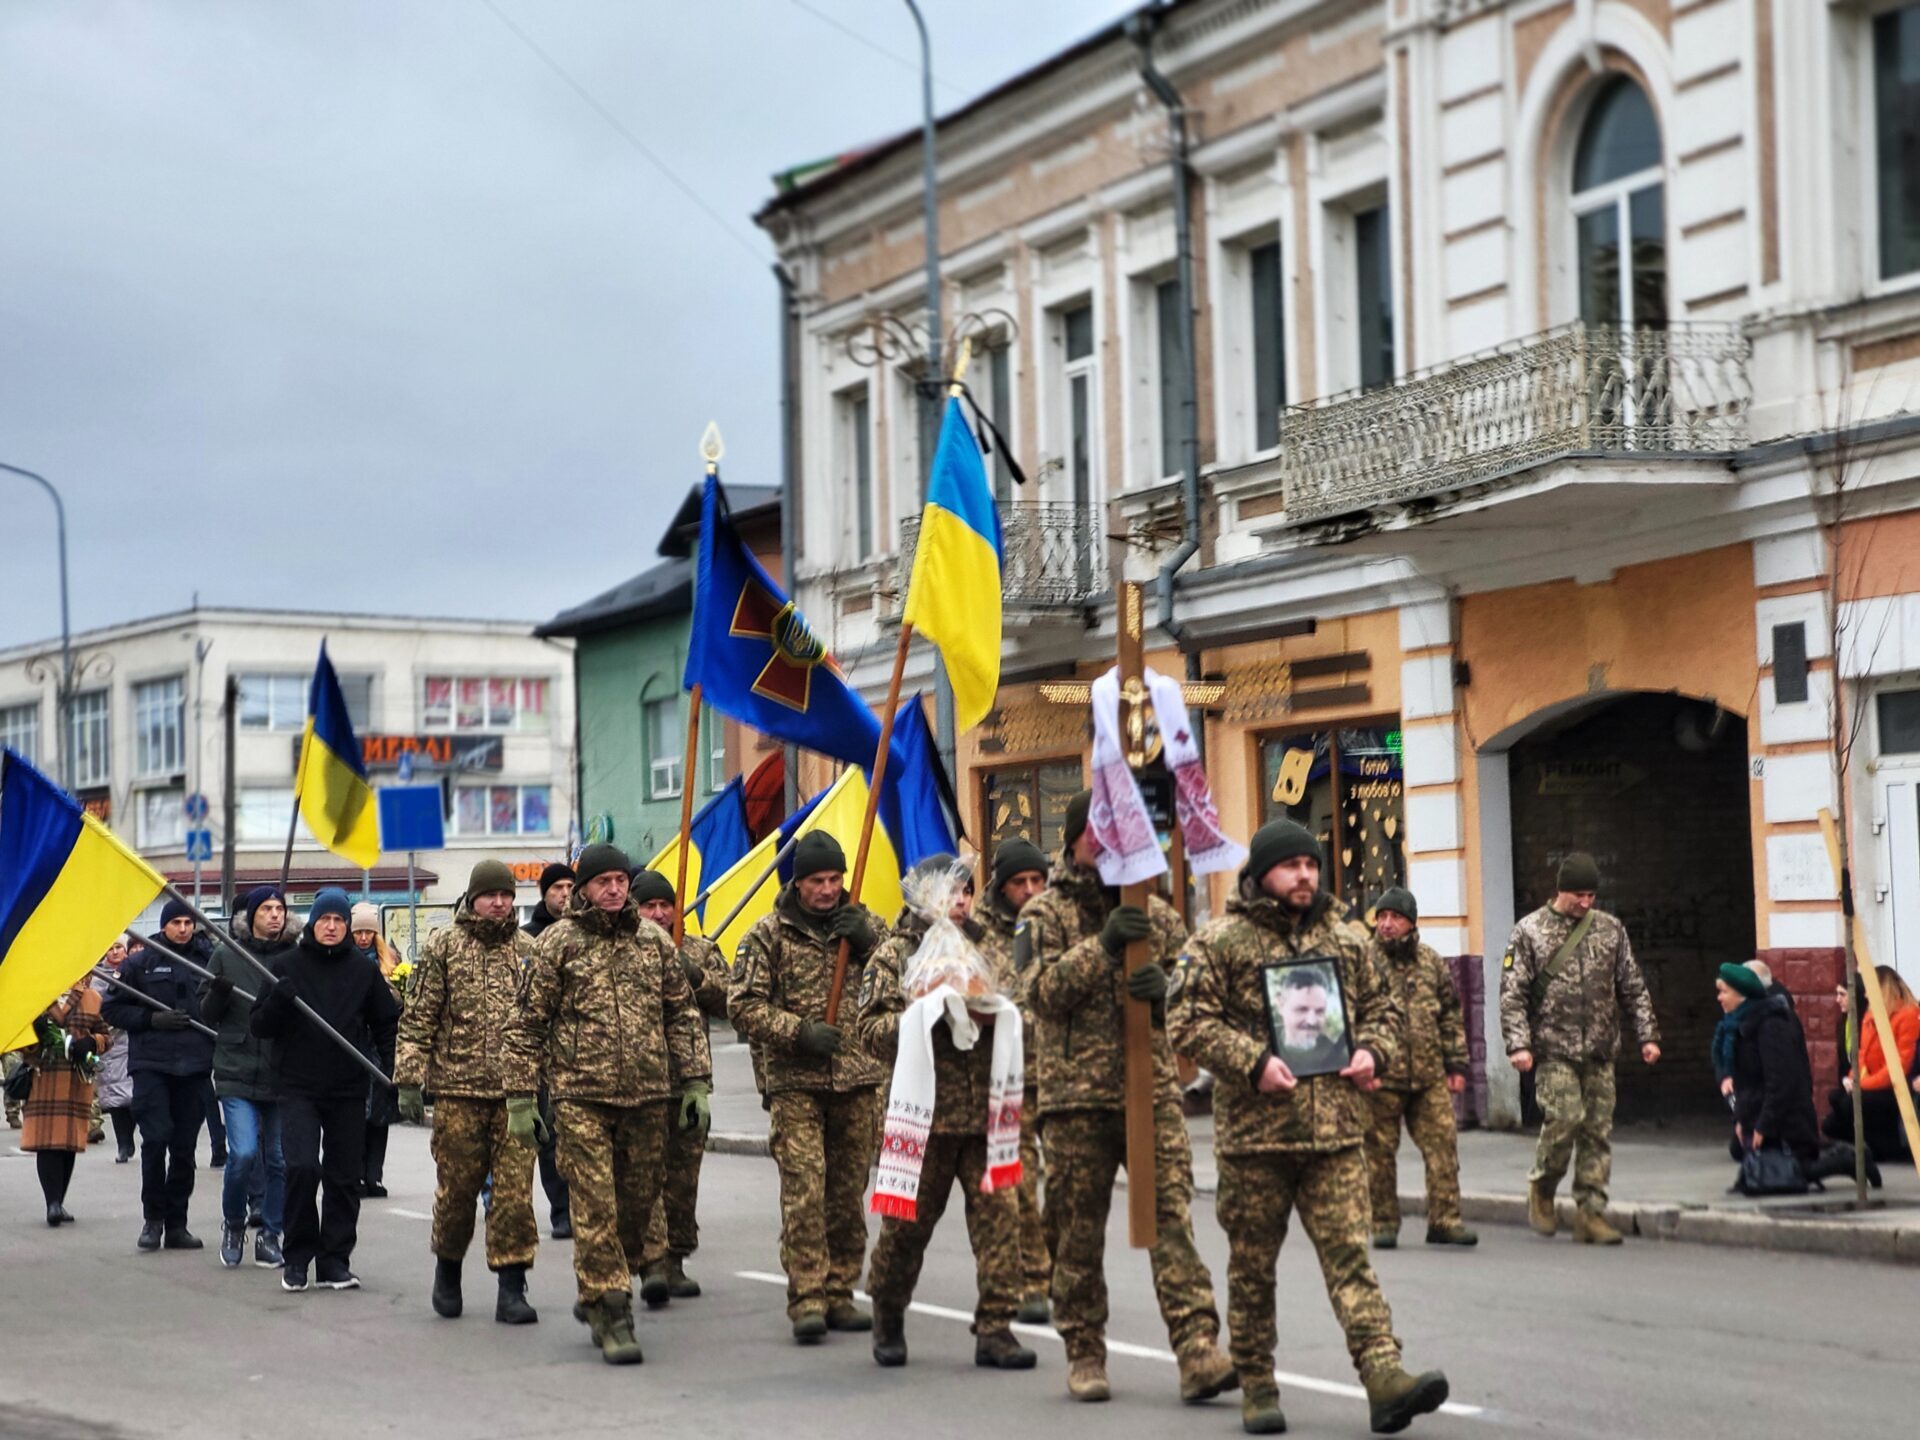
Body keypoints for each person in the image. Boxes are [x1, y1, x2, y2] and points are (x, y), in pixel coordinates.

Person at [1173, 821, 1449, 1435]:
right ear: (1261, 874)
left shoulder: (1348, 942)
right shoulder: (1220, 942)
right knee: (1252, 1268)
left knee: (1352, 1259)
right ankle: (1259, 1385)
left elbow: (1385, 1010)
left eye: (1312, 865)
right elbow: (1186, 1021)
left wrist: (1372, 1052)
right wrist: (1252, 1062)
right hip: (1256, 1141)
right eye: (1291, 865)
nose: (1305, 875)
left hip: (1335, 1136)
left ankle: (1383, 1376)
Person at [1021, 790, 1234, 1406]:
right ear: (1077, 839)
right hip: (1076, 1102)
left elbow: (1198, 997)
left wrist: (1167, 989)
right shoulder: (1042, 914)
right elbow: (1040, 992)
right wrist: (1104, 947)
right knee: (1077, 1232)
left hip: (1151, 1092)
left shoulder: (1155, 913)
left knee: (1172, 1222)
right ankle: (1084, 1351)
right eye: (1098, 832)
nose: (1108, 843)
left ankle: (1198, 1349)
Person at [502, 844, 710, 1365]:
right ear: (583, 889)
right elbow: (527, 1024)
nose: (614, 889)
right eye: (603, 882)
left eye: (621, 880)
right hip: (581, 1098)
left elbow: (681, 1015)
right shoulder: (557, 944)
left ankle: (597, 1292)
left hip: (647, 1097)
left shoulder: (653, 942)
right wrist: (522, 1099)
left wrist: (695, 1083)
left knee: (638, 1211)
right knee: (595, 1207)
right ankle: (614, 1313)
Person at [857, 855, 1036, 1372]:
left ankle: (996, 1328)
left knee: (1001, 1225)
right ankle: (888, 1313)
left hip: (985, 1116)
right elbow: (869, 1030)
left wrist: (993, 1008)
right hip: (925, 1119)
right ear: (925, 896)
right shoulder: (894, 953)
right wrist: (926, 1015)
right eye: (951, 892)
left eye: (967, 892)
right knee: (905, 1229)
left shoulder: (989, 945)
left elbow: (1022, 1006)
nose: (961, 901)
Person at [730, 830, 890, 1343]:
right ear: (797, 883)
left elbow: (909, 977)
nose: (827, 889)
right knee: (804, 1189)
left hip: (857, 1078)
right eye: (817, 880)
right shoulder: (766, 936)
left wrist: (871, 946)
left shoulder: (868, 926)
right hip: (795, 1082)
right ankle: (807, 1297)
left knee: (847, 1194)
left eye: (835, 878)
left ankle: (842, 1290)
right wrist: (798, 1032)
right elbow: (743, 1005)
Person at [395, 861, 541, 1326]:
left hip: (516, 1095)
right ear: (473, 897)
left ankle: (512, 1287)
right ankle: (448, 1268)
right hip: (458, 1093)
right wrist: (409, 1078)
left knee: (514, 1196)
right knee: (457, 1192)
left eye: (506, 894)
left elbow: (544, 1021)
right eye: (490, 894)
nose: (499, 902)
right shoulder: (444, 947)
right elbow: (419, 1017)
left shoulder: (529, 949)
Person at [1498, 852, 1660, 1245]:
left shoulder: (1610, 930)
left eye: (1591, 895)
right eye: (1578, 895)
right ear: (1560, 890)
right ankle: (1543, 1184)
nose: (1586, 903)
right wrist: (1518, 1044)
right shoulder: (1529, 931)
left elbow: (1632, 985)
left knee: (1597, 1132)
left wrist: (1648, 1034)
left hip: (1601, 1048)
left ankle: (1591, 1212)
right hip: (1553, 1049)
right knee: (1565, 1118)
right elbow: (1512, 994)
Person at [250, 887, 402, 1293]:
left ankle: (335, 1260)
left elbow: (386, 1025)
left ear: (348, 926)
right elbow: (259, 1026)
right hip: (297, 1085)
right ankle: (297, 1256)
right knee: (301, 1168)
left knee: (343, 1176)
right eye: (324, 920)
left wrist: (390, 1073)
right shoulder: (285, 966)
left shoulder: (363, 971)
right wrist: (278, 1001)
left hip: (348, 1087)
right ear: (313, 923)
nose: (332, 927)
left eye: (339, 920)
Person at [630, 869, 726, 1307]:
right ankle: (651, 1261)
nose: (658, 913)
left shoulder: (700, 948)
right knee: (645, 1177)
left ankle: (676, 1259)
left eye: (665, 905)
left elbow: (730, 999)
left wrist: (695, 974)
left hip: (688, 1081)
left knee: (683, 1180)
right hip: (637, 1084)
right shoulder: (625, 948)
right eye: (649, 906)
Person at [1362, 888, 1475, 1249]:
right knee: (1378, 1154)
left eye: (1395, 917)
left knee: (1442, 1145)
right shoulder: (1362, 961)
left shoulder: (1430, 961)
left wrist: (1456, 1063)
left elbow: (1450, 1014)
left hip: (1428, 1076)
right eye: (1382, 917)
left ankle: (1445, 1220)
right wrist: (1363, 1062)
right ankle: (1382, 1222)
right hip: (1381, 1076)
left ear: (1411, 922)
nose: (1387, 924)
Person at [103, 898, 216, 1253]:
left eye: (188, 922)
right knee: (155, 1141)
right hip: (152, 1064)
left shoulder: (208, 959)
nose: (183, 928)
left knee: (184, 1149)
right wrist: (151, 1020)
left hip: (195, 1065)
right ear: (165, 925)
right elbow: (112, 1008)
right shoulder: (141, 961)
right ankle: (152, 1220)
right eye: (176, 922)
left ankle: (177, 1223)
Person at [200, 886, 294, 1270]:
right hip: (236, 1068)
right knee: (242, 1154)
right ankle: (234, 1223)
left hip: (282, 1071)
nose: (275, 915)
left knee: (280, 1160)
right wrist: (219, 995)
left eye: (280, 909)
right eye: (267, 909)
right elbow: (206, 1014)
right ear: (251, 915)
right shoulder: (226, 954)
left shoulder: (294, 957)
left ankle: (271, 1232)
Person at [982, 836, 1053, 1323]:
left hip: (1064, 1070)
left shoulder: (1058, 925)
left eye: (1036, 880)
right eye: (1018, 882)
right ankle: (1033, 1279)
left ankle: (1059, 1266)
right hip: (1009, 1075)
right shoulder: (980, 935)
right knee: (1022, 1180)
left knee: (1070, 1185)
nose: (1029, 890)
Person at [1717, 962, 1820, 1190]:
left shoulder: (1771, 1024)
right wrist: (1741, 1120)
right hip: (1757, 1114)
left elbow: (1781, 1082)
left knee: (1791, 1171)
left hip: (1786, 1122)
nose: (1719, 998)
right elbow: (1743, 1082)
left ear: (1741, 993)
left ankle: (1846, 1161)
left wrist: (1764, 1126)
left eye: (1724, 991)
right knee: (1750, 1160)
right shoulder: (1737, 1025)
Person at [20, 979, 112, 1226]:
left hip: (75, 1079)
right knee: (47, 1143)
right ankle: (52, 1203)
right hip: (44, 1077)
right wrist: (34, 1039)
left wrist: (93, 1042)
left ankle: (58, 1201)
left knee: (67, 1143)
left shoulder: (91, 997)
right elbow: (17, 1041)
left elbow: (106, 1035)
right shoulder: (37, 995)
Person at [1822, 965, 1919, 1178]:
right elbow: (1863, 1055)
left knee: (1847, 1104)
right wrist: (1851, 1079)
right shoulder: (1870, 1015)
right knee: (1835, 1105)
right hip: (1873, 1081)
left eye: (1869, 988)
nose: (1865, 993)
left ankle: (1881, 1148)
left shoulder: (1908, 1015)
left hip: (1894, 1086)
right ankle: (1873, 1148)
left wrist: (1860, 1085)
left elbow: (1898, 1066)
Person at [523, 861, 575, 1240]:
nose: (565, 893)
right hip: (544, 1055)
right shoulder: (530, 939)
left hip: (584, 1053)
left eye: (571, 886)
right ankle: (563, 1210)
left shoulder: (588, 934)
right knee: (551, 1135)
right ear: (544, 893)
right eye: (557, 887)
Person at [351, 903, 403, 1200]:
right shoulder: (346, 961)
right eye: (359, 932)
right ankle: (356, 1174)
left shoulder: (390, 961)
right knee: (357, 1116)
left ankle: (374, 1175)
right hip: (357, 1044)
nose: (364, 938)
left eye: (369, 932)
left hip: (380, 1045)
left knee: (379, 1117)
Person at [91, 940, 137, 1163]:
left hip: (134, 1043)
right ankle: (124, 1143)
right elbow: (96, 1009)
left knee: (136, 1096)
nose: (115, 952)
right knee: (116, 1099)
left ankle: (133, 1138)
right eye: (110, 948)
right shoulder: (98, 978)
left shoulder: (135, 971)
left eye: (119, 947)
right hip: (110, 1045)